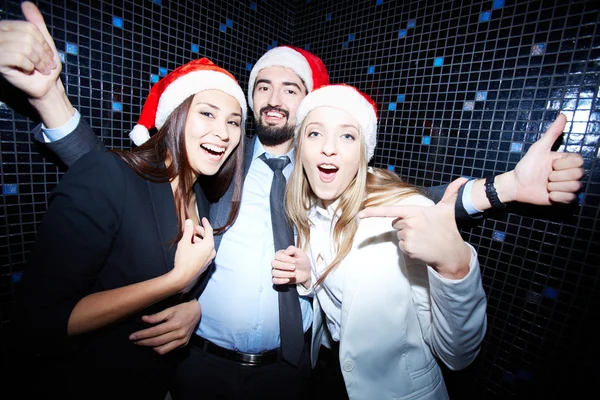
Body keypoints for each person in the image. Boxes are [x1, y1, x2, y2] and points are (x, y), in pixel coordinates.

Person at [0, 2, 585, 398]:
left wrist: (507, 187)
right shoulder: (219, 156)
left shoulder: (325, 174)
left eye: (292, 88)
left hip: (292, 372)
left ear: (309, 110)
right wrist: (53, 103)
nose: (274, 97)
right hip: (197, 362)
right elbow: (137, 175)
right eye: (263, 86)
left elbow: (415, 202)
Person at [17, 56, 248, 400]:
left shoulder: (202, 197)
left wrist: (192, 307)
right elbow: (41, 321)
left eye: (234, 122)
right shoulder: (110, 174)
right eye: (207, 113)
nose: (223, 132)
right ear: (174, 114)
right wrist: (174, 281)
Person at [272, 83, 488, 399]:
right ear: (300, 147)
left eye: (347, 135)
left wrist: (454, 267)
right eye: (315, 133)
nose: (328, 148)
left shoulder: (405, 214)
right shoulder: (308, 210)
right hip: (327, 378)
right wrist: (309, 276)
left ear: (363, 150)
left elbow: (458, 354)